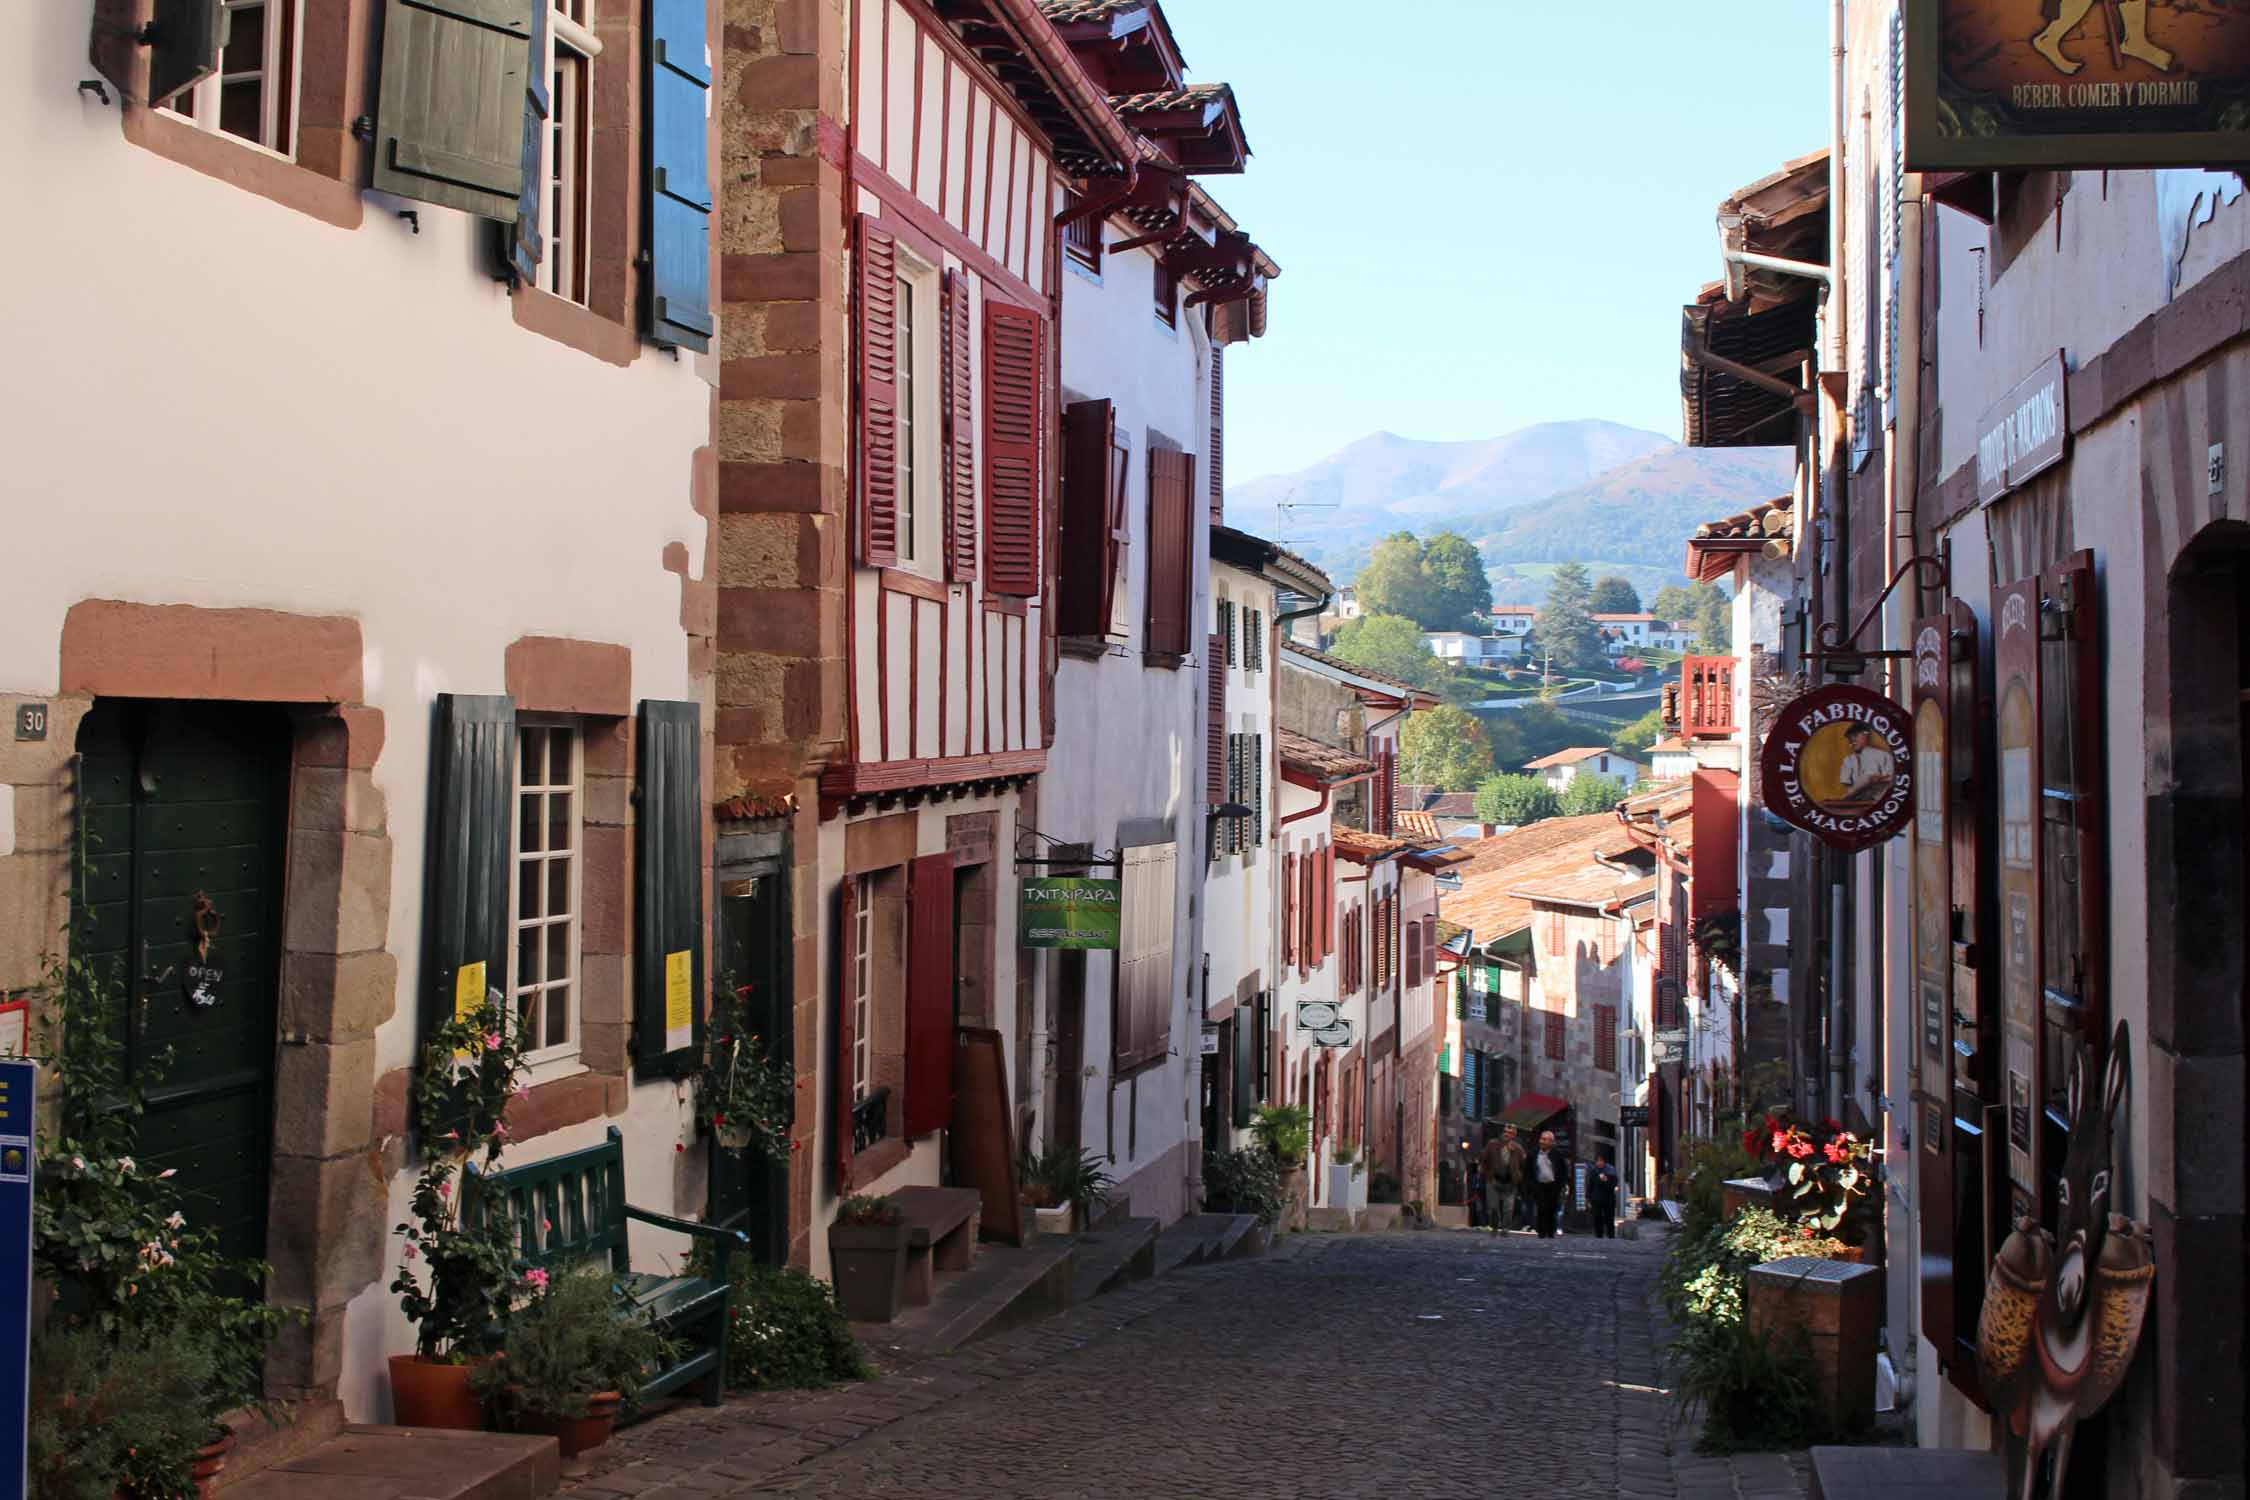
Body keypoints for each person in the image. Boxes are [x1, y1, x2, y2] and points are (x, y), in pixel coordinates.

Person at [1478, 1125, 1523, 1235]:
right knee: (1493, 1208)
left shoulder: (1517, 1148)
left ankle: (1505, 1229)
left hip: (1510, 1183)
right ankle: (1494, 1227)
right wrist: (1486, 1173)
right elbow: (1483, 1160)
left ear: (1514, 1135)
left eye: (1510, 1133)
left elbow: (1523, 1165)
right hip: (1494, 1180)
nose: (1507, 1134)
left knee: (1508, 1209)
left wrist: (1518, 1176)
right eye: (1505, 1131)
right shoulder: (1492, 1144)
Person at [1530, 1129, 1568, 1239]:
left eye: (1545, 1140)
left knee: (1551, 1209)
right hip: (1539, 1185)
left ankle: (1550, 1232)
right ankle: (1541, 1232)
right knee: (1541, 1208)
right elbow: (1528, 1170)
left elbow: (1563, 1171)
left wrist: (1561, 1185)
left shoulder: (1557, 1154)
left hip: (1553, 1186)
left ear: (1551, 1142)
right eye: (1541, 1139)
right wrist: (1530, 1186)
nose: (1542, 1141)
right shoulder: (1533, 1153)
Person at [1588, 1151, 1620, 1239]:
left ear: (1604, 1161)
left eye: (1601, 1161)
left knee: (1609, 1218)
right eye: (1597, 1161)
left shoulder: (1611, 1171)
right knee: (1597, 1218)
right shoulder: (1594, 1171)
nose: (1599, 1163)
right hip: (1596, 1198)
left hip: (1608, 1198)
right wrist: (1589, 1197)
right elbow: (1590, 1185)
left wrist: (1606, 1180)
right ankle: (1599, 1235)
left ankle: (1611, 1235)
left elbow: (1613, 1185)